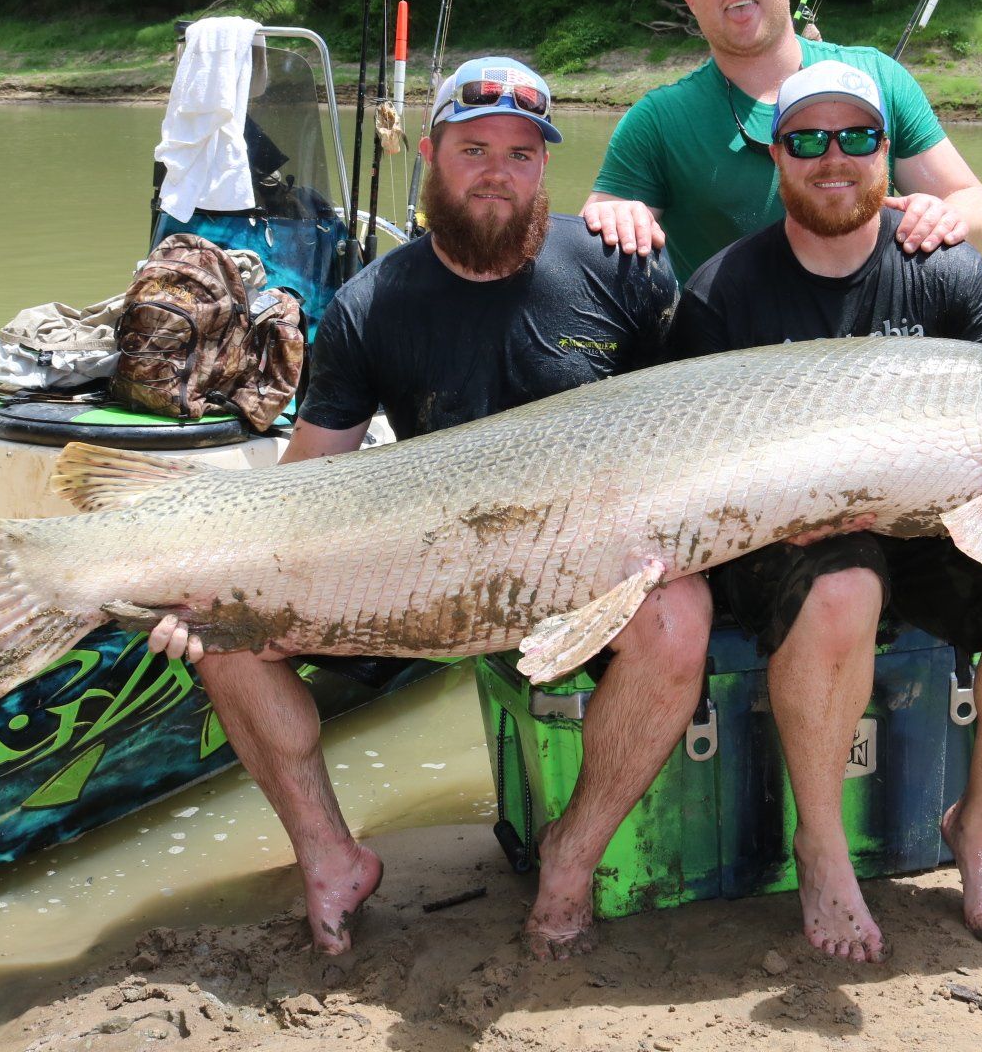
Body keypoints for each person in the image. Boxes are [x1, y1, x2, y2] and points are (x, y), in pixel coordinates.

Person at [148, 56, 711, 961]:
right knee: (226, 636)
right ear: (430, 156)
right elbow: (308, 490)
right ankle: (330, 856)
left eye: (523, 153)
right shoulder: (371, 303)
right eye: (475, 148)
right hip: (421, 582)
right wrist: (212, 582)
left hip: (584, 572)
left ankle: (573, 855)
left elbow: (688, 434)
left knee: (682, 616)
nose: (499, 171)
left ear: (545, 166)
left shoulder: (622, 269)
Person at [670, 61, 982, 961]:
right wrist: (784, 514)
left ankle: (977, 829)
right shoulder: (721, 292)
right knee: (843, 584)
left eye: (857, 137)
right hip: (786, 541)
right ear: (776, 159)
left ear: (888, 154)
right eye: (809, 140)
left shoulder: (947, 273)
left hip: (932, 525)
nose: (835, 157)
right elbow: (690, 473)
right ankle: (821, 845)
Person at [582, 0, 982, 279]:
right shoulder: (657, 121)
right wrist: (615, 219)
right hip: (729, 355)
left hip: (872, 347)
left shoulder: (878, 77)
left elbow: (975, 206)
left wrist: (942, 218)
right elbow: (591, 243)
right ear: (690, 0)